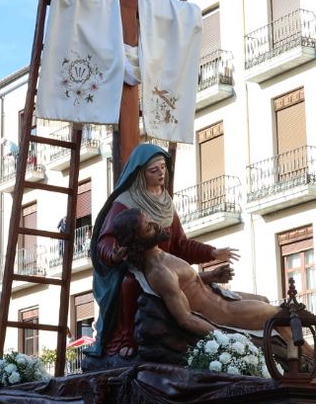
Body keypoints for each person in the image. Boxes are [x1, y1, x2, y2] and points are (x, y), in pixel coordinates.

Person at [89, 144, 237, 361]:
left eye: (163, 167)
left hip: (164, 266)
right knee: (130, 283)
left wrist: (212, 253)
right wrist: (114, 254)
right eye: (154, 170)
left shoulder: (165, 202)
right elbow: (105, 240)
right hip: (135, 267)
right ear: (141, 173)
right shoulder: (125, 202)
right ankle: (127, 337)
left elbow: (179, 244)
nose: (161, 173)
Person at [108, 208, 281, 336]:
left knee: (265, 300)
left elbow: (187, 283)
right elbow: (185, 319)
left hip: (221, 297)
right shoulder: (159, 272)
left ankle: (294, 355)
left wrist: (211, 276)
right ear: (138, 242)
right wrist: (225, 339)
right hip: (225, 313)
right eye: (148, 228)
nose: (155, 224)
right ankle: (298, 359)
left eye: (150, 219)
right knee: (281, 315)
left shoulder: (162, 256)